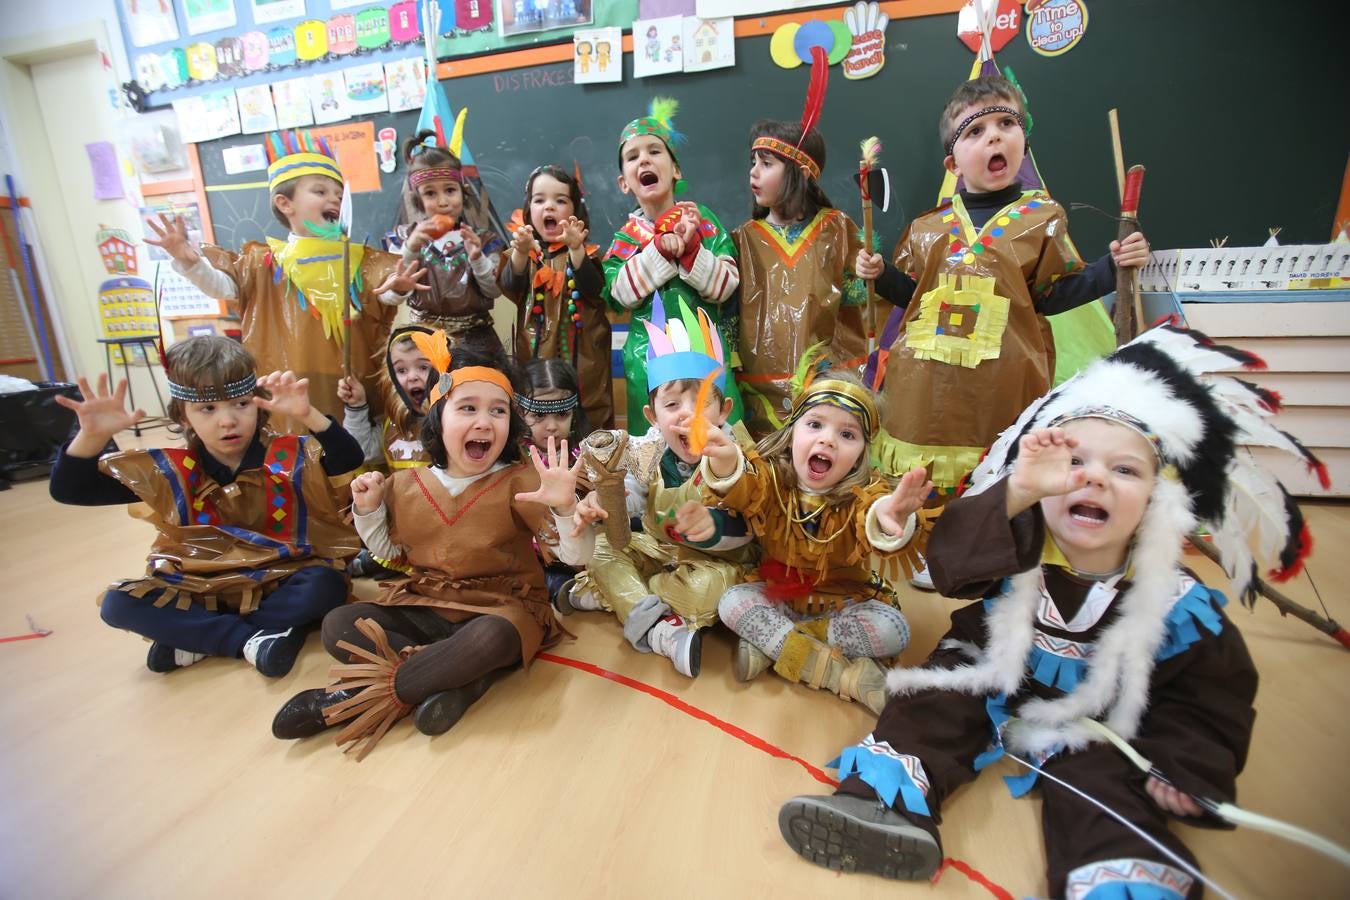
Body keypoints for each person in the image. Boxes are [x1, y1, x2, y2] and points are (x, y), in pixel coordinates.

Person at [778, 324, 1326, 898]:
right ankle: (878, 809)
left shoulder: (1173, 602)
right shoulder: (1017, 539)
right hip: (990, 658)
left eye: (1125, 470)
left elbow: (1208, 700)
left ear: (1157, 502)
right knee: (928, 704)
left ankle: (1117, 880)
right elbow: (947, 569)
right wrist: (1015, 493)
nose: (1093, 476)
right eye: (1075, 462)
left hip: (1095, 712)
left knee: (1107, 781)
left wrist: (1186, 767)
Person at [271, 340, 594, 759]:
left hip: (501, 610)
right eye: (468, 408)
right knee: (338, 623)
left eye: (498, 410)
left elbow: (576, 557)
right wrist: (368, 511)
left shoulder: (522, 479)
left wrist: (566, 508)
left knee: (490, 639)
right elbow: (390, 553)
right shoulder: (406, 484)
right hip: (427, 603)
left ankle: (347, 701)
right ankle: (460, 679)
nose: (484, 421)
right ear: (439, 419)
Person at [857, 76, 1150, 500]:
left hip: (1006, 388)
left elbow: (1053, 295)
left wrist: (1113, 268)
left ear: (1023, 145)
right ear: (953, 164)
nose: (993, 135)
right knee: (923, 503)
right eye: (975, 131)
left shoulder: (1042, 217)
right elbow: (913, 296)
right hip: (922, 396)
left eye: (1005, 124)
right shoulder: (926, 226)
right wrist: (881, 273)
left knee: (998, 497)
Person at [48, 336, 364, 677]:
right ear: (182, 416)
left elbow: (349, 457)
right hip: (198, 582)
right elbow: (71, 490)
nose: (227, 421)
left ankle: (196, 636)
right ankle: (253, 639)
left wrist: (308, 414)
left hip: (283, 577)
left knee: (324, 585)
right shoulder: (169, 472)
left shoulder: (287, 455)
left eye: (241, 404)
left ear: (258, 404)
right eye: (208, 409)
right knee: (117, 604)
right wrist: (90, 439)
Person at [146, 133, 427, 431]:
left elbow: (382, 297)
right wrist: (188, 261)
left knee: (358, 454)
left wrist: (398, 289)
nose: (334, 198)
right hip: (291, 384)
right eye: (320, 191)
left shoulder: (361, 259)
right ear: (285, 203)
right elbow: (222, 286)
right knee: (300, 453)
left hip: (355, 384)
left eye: (338, 194)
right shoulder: (264, 263)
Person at [700, 369, 931, 713]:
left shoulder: (863, 494)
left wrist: (891, 517)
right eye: (815, 425)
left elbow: (875, 510)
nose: (827, 440)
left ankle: (772, 643)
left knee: (894, 629)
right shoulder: (773, 479)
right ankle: (844, 677)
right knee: (731, 602)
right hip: (777, 594)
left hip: (843, 604)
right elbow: (744, 483)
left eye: (847, 434)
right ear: (792, 432)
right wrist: (727, 461)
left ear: (860, 454)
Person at [561, 299, 755, 677]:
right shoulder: (649, 448)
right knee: (602, 548)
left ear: (724, 410)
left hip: (713, 562)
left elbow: (749, 526)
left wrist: (712, 528)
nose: (685, 413)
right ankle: (658, 624)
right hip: (657, 546)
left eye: (700, 402)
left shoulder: (737, 454)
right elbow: (633, 499)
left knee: (714, 591)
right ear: (653, 416)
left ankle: (617, 596)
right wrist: (600, 501)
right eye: (671, 404)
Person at [732, 119, 887, 439]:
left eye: (766, 163)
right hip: (760, 393)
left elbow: (860, 292)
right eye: (753, 163)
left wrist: (867, 270)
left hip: (826, 387)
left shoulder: (837, 228)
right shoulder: (741, 239)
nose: (753, 172)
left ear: (801, 172)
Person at [602, 97, 743, 431]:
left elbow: (725, 286)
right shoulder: (625, 239)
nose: (644, 160)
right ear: (624, 182)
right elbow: (621, 293)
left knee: (720, 437)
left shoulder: (703, 220)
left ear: (676, 169)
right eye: (632, 157)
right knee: (657, 446)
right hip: (649, 360)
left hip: (706, 350)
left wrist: (691, 249)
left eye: (654, 151)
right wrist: (660, 251)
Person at [501, 164, 614, 428]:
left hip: (584, 355)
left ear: (575, 209)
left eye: (560, 200)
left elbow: (594, 289)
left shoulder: (588, 254)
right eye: (539, 200)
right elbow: (511, 286)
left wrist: (576, 249)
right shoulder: (525, 254)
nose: (549, 207)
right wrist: (519, 253)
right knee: (539, 413)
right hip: (536, 355)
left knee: (588, 415)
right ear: (529, 210)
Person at [395, 130, 506, 354]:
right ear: (418, 199)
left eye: (450, 190)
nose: (443, 201)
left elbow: (495, 291)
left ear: (463, 192)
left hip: (476, 342)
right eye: (430, 194)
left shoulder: (484, 240)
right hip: (424, 343)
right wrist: (410, 250)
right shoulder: (404, 239)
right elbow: (388, 296)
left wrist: (477, 258)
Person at [518, 356, 591, 602]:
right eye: (538, 416)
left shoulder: (588, 454)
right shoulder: (514, 458)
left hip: (580, 554)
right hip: (531, 558)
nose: (551, 426)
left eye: (561, 414)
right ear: (520, 412)